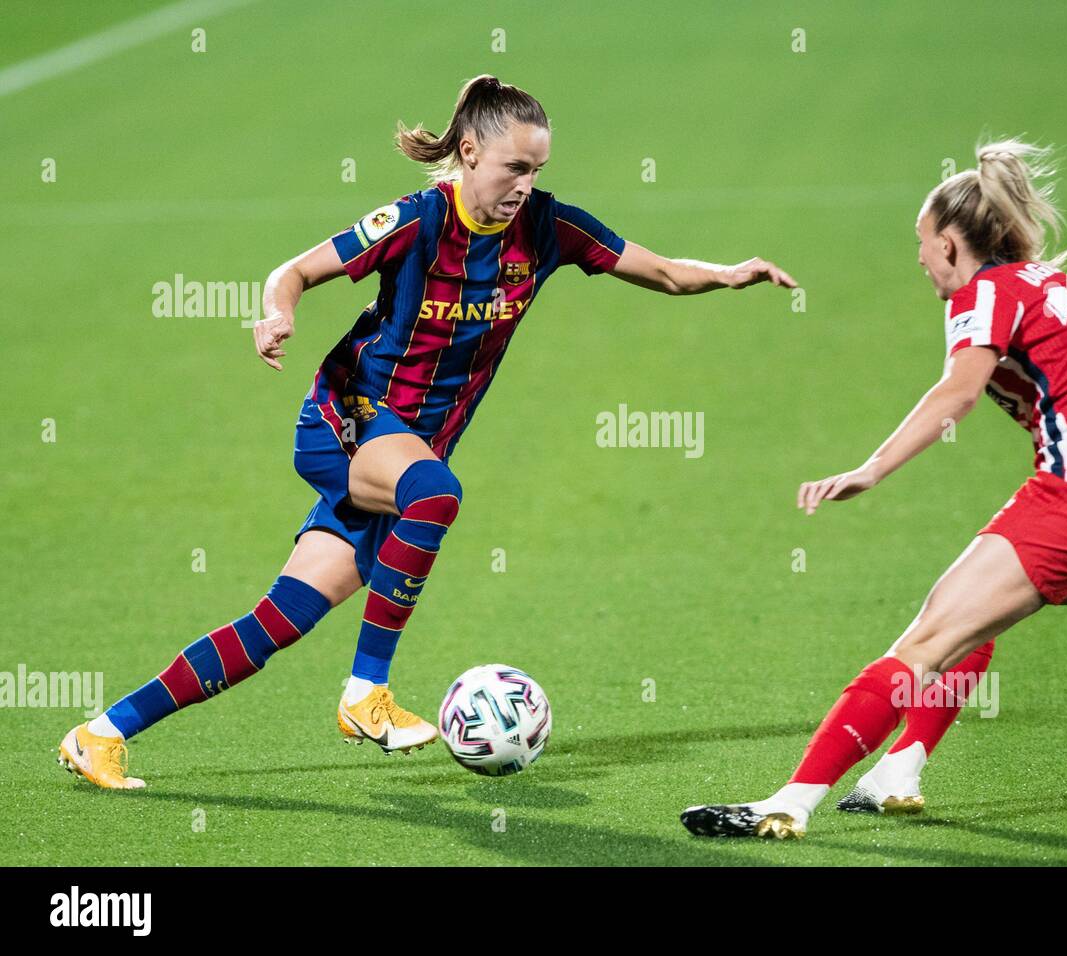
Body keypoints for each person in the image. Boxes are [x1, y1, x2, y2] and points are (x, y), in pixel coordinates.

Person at [58, 74, 797, 790]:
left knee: (278, 622)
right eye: (514, 167)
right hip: (349, 419)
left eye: (536, 170)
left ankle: (102, 733)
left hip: (405, 454)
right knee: (436, 497)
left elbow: (664, 272)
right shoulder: (418, 220)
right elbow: (296, 270)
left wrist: (730, 274)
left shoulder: (547, 228)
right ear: (471, 152)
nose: (524, 186)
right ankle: (365, 693)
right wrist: (277, 311)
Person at [681, 139, 1067, 839]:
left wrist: (871, 467)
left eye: (922, 242)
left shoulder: (986, 290)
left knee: (924, 641)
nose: (920, 257)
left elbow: (957, 392)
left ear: (953, 244)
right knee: (973, 616)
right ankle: (900, 768)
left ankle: (790, 800)